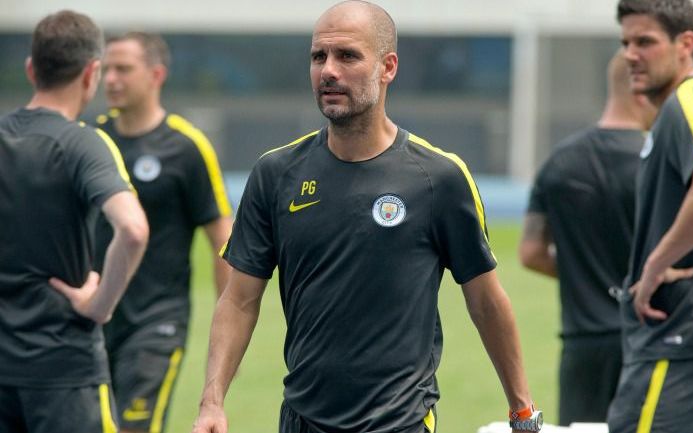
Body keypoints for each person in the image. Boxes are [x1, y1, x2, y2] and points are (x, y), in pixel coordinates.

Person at [192, 1, 539, 433]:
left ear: (387, 67)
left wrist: (522, 412)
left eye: (347, 56)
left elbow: (486, 301)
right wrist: (212, 401)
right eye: (319, 57)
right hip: (300, 420)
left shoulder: (438, 178)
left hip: (400, 421)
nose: (328, 71)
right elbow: (240, 299)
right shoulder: (275, 173)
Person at [0, 10, 149, 433]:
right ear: (92, 73)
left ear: (31, 69)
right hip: (65, 371)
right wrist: (99, 305)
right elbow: (133, 229)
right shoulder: (84, 143)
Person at [607, 1, 693, 433]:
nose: (631, 53)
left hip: (679, 334)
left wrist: (654, 266)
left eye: (645, 41)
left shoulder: (688, 104)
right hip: (684, 335)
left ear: (686, 44)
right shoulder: (678, 111)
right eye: (626, 42)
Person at [93, 31, 233, 433]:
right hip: (93, 316)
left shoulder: (187, 147)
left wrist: (223, 341)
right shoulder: (93, 140)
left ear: (156, 74)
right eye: (106, 69)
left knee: (135, 427)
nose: (112, 79)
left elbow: (223, 242)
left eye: (123, 69)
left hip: (157, 322)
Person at [518, 50, 656, 426]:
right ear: (643, 89)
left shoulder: (559, 162)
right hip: (648, 339)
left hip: (583, 347)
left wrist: (583, 274)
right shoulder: (656, 162)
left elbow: (530, 252)